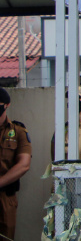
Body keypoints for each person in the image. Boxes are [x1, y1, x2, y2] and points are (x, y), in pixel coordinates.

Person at [0, 88, 31, 239]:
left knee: (6, 236)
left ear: (6, 105)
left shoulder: (17, 131)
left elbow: (24, 164)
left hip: (6, 197)